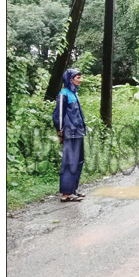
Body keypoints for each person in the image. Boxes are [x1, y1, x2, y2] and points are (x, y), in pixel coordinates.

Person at [52, 69, 87, 202]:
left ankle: (73, 189)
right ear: (70, 79)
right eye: (78, 77)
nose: (80, 80)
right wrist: (60, 131)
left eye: (80, 77)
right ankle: (66, 193)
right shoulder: (63, 94)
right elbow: (59, 115)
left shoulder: (74, 94)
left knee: (79, 161)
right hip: (69, 132)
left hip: (78, 132)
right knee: (69, 162)